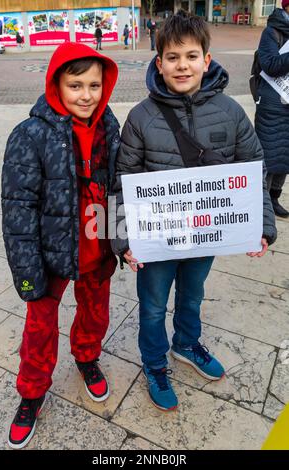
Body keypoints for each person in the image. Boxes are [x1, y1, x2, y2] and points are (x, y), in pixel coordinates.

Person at [111, 11, 277, 412]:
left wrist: (262, 226)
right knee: (152, 306)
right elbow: (121, 181)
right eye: (172, 57)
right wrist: (123, 240)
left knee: (193, 295)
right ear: (159, 63)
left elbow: (255, 168)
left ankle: (186, 343)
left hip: (207, 233)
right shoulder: (141, 117)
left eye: (190, 56)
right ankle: (154, 364)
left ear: (206, 58)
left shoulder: (231, 112)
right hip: (157, 240)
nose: (181, 65)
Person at [2, 42, 119, 449]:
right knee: (39, 329)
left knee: (94, 313)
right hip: (50, 256)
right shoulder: (29, 135)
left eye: (94, 85)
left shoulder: (110, 126)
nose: (86, 95)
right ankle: (31, 393)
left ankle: (87, 357)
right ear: (56, 85)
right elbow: (17, 209)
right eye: (75, 85)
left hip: (96, 247)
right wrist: (27, 271)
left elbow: (118, 188)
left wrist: (121, 241)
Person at [254, 1, 289, 218]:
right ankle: (262, 203)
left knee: (285, 156)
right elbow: (271, 65)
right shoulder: (271, 32)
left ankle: (275, 197)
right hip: (272, 106)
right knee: (269, 156)